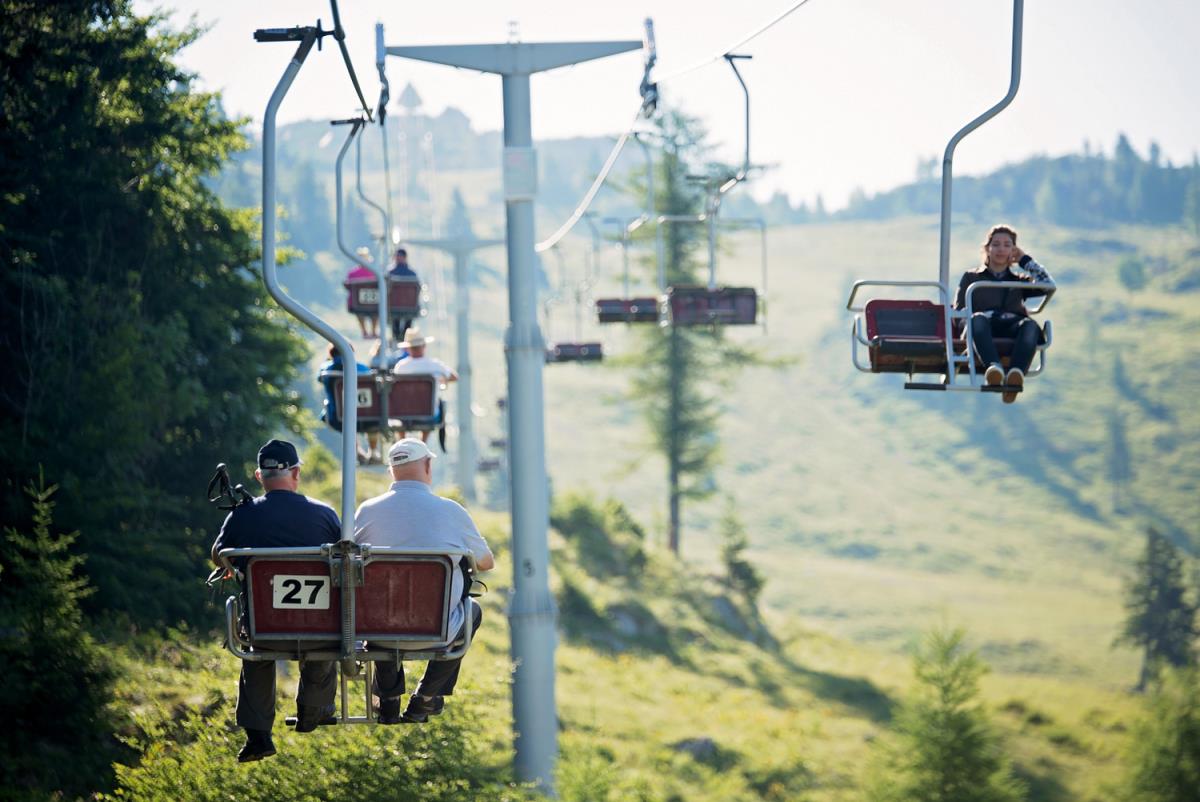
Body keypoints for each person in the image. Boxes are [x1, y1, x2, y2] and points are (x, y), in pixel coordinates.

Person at [209, 440, 342, 762]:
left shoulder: (242, 515)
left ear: (259, 476)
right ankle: (313, 708)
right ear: (296, 473)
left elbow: (219, 555)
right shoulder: (324, 514)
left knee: (256, 653)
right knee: (326, 641)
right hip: (318, 626)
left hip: (266, 628)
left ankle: (258, 735)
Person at [353, 439, 495, 724]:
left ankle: (388, 698)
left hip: (378, 630)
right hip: (436, 630)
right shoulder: (452, 511)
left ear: (391, 470)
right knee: (472, 612)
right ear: (428, 465)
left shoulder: (366, 511)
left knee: (379, 606)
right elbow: (485, 562)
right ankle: (427, 695)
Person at [953, 224, 1055, 404]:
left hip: (1011, 325)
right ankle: (994, 368)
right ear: (988, 249)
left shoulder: (1019, 281)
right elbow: (959, 311)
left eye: (1007, 245)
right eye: (996, 244)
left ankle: (1016, 373)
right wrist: (968, 325)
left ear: (1013, 251)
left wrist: (1025, 260)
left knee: (1030, 326)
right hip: (983, 325)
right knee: (977, 320)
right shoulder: (972, 278)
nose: (1001, 249)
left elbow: (1048, 285)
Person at [392, 327, 457, 443]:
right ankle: (423, 442)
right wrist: (441, 379)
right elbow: (454, 377)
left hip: (404, 415)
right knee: (432, 407)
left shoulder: (400, 367)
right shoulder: (435, 365)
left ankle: (402, 441)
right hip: (429, 416)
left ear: (408, 348)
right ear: (424, 346)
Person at [344, 246, 379, 339]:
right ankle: (373, 331)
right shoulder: (374, 272)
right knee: (375, 310)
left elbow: (347, 286)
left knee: (359, 309)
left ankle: (364, 331)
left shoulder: (352, 273)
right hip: (373, 303)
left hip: (358, 303)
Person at [387, 248, 420, 341]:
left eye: (399, 256)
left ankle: (400, 338)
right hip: (406, 306)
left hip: (395, 305)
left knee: (397, 321)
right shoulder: (412, 274)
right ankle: (402, 339)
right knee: (402, 322)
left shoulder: (390, 273)